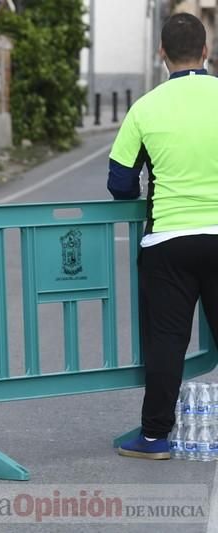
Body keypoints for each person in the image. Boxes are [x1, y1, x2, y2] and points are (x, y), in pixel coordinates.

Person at [108, 13, 218, 460]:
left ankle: (155, 437)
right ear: (207, 52)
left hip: (169, 239)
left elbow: (119, 184)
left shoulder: (145, 107)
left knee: (168, 341)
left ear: (162, 54)